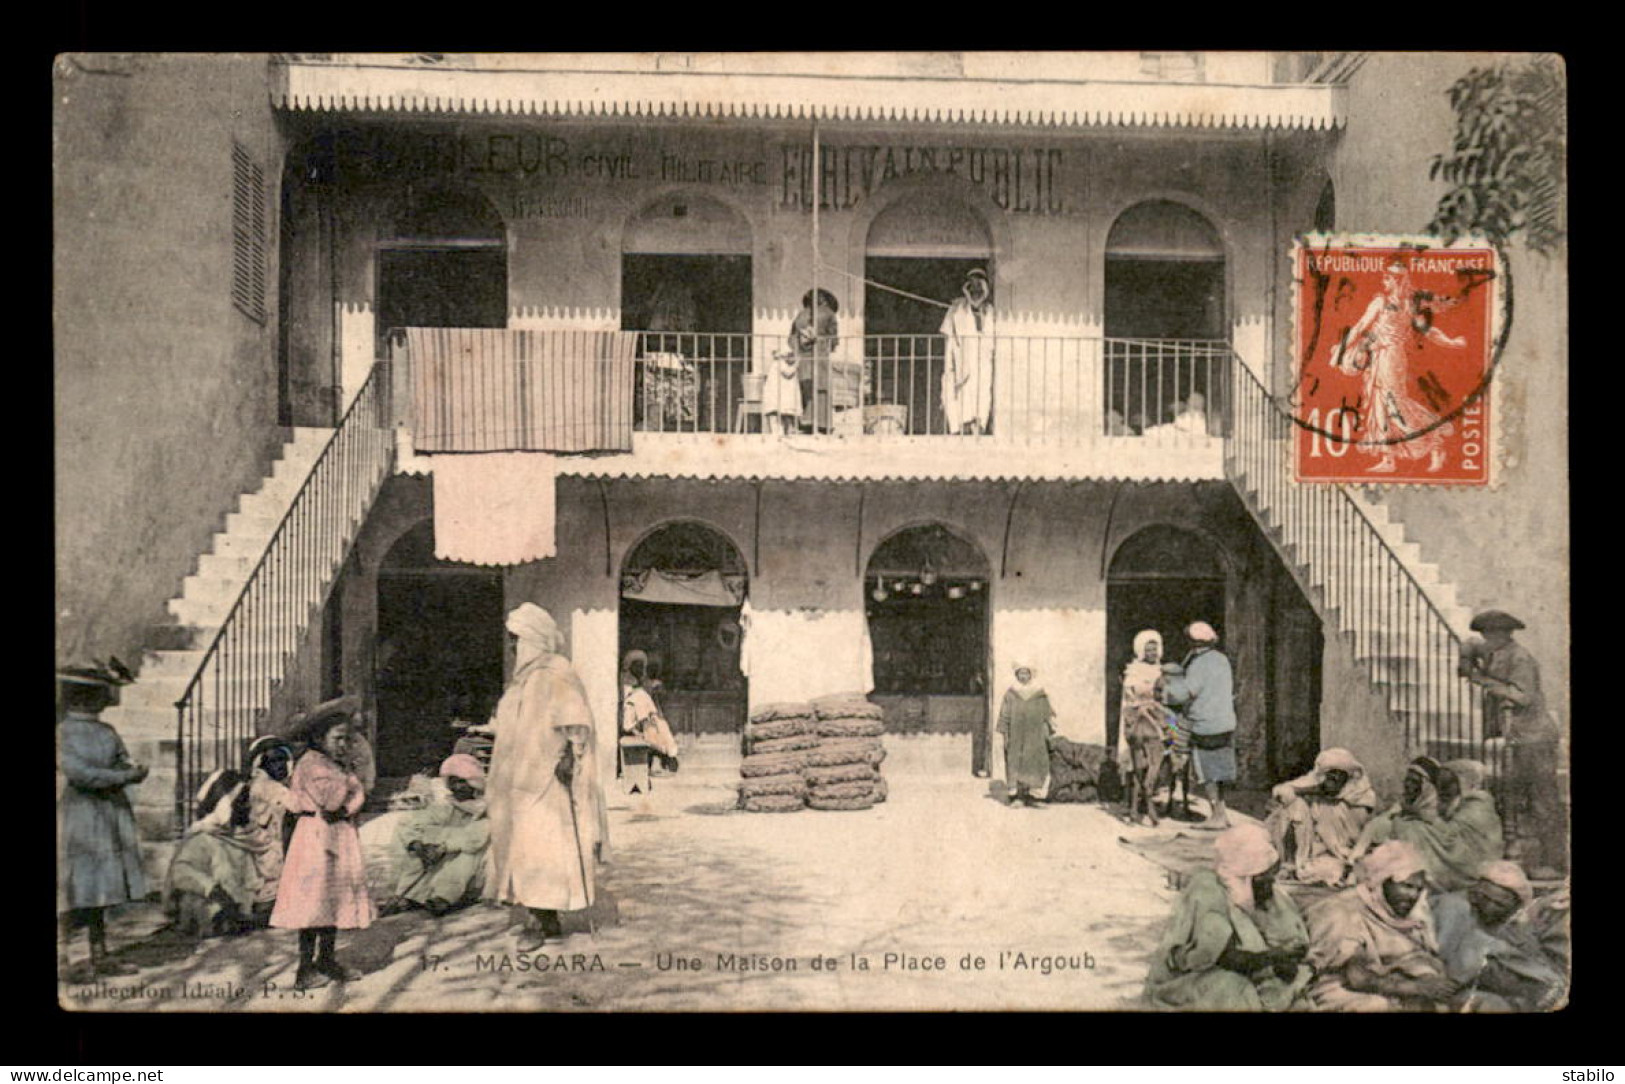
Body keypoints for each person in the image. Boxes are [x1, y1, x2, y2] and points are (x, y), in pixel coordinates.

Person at [487, 603, 606, 949]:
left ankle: (541, 922)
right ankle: (543, 917)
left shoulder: (555, 674)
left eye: (516, 640)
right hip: (520, 779)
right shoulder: (523, 681)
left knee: (541, 850)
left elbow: (577, 725)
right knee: (526, 848)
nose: (511, 647)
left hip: (548, 780)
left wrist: (570, 757)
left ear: (532, 639)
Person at [1144, 822, 1312, 1011]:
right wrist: (1272, 958)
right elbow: (1217, 956)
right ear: (1249, 874)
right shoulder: (1208, 891)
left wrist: (1286, 954)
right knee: (1234, 990)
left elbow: (1289, 933)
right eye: (1266, 876)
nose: (1272, 881)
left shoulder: (1264, 893)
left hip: (1248, 966)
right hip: (1192, 976)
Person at [269, 697, 375, 990]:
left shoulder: (334, 764)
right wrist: (349, 782)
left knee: (334, 898)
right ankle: (305, 968)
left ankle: (327, 959)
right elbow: (331, 801)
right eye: (338, 739)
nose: (344, 745)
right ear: (319, 738)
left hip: (337, 835)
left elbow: (357, 798)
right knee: (314, 900)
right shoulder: (313, 764)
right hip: (316, 838)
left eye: (348, 740)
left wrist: (351, 797)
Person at [1329, 258, 1461, 474]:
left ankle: (1435, 442)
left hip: (1391, 359)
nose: (1385, 281)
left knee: (1394, 405)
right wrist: (1343, 350)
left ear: (1398, 281)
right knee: (1379, 405)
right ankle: (1388, 458)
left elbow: (1427, 330)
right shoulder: (1388, 302)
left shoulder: (1400, 304)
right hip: (1382, 357)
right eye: (1385, 277)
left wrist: (1450, 342)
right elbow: (1360, 327)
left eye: (1389, 278)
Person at [58, 663, 147, 981]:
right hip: (81, 814)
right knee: (73, 887)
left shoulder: (107, 731)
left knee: (101, 887)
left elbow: (122, 758)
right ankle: (63, 960)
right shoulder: (63, 731)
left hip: (109, 813)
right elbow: (80, 773)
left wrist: (133, 767)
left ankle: (100, 955)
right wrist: (125, 776)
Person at [1460, 610, 1563, 877]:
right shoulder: (1496, 653)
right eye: (1483, 635)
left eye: (1489, 635)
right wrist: (1467, 653)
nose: (1485, 640)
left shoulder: (1520, 658)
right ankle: (1525, 858)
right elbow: (1473, 652)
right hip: (1517, 737)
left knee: (1543, 800)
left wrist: (1482, 680)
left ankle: (1554, 861)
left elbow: (1522, 696)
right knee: (1515, 796)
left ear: (1503, 635)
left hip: (1535, 737)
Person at [1303, 840, 1456, 1011]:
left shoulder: (1402, 912)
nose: (1413, 895)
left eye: (1418, 889)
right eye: (1407, 886)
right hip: (1338, 986)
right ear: (1383, 880)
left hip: (1388, 983)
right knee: (1377, 1006)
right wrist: (1415, 987)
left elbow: (1412, 955)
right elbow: (1356, 978)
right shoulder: (1343, 910)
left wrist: (1427, 978)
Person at [1433, 860, 1568, 1012]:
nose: (1489, 906)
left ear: (1514, 906)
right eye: (1484, 897)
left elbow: (1532, 957)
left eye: (1499, 904)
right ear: (1475, 891)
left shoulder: (1512, 923)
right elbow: (1451, 955)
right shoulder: (1453, 906)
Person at [381, 754, 491, 918]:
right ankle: (408, 895)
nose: (457, 787)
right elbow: (415, 823)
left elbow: (475, 837)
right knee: (416, 851)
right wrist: (418, 844)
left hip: (464, 857)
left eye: (462, 782)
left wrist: (443, 846)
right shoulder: (445, 805)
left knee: (465, 860)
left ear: (473, 783)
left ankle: (443, 898)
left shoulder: (483, 809)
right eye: (453, 781)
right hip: (436, 852)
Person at [164, 768, 259, 937]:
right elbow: (181, 872)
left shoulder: (240, 835)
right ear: (224, 805)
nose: (247, 806)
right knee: (209, 908)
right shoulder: (202, 837)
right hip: (209, 899)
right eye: (241, 801)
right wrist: (211, 888)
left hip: (235, 899)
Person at [1160, 621, 1236, 830]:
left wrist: (1166, 690)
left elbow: (1185, 693)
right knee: (1220, 770)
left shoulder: (1198, 665)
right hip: (1226, 721)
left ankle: (1217, 816)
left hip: (1205, 724)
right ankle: (1221, 812)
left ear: (1193, 643)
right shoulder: (1222, 659)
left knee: (1208, 771)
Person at [1264, 747, 1379, 886]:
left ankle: (1303, 870)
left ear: (1347, 777)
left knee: (1330, 871)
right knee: (1295, 805)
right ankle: (1289, 865)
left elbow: (1351, 840)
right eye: (1331, 774)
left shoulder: (1360, 798)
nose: (1334, 778)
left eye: (1339, 774)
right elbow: (1282, 792)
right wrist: (1313, 790)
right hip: (1310, 849)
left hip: (1339, 854)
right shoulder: (1317, 788)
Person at [243, 736, 294, 924]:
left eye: (282, 760)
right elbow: (296, 803)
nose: (279, 766)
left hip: (266, 838)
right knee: (270, 873)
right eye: (273, 761)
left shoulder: (259, 784)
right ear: (262, 764)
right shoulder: (269, 787)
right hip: (267, 841)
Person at [940, 268, 996, 435]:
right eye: (972, 286)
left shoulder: (989, 310)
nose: (975, 290)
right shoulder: (957, 308)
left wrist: (980, 301)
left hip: (982, 361)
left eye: (979, 286)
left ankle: (978, 426)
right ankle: (962, 428)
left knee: (982, 392)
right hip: (963, 359)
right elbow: (949, 338)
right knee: (962, 395)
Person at [997, 664, 1054, 807]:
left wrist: (1047, 731)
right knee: (1016, 762)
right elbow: (1005, 715)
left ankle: (1035, 797)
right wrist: (1005, 735)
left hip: (1035, 736)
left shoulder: (1039, 694)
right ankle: (1017, 797)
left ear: (1031, 675)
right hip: (1016, 735)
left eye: (1026, 673)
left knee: (1036, 762)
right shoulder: (1010, 694)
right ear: (1016, 675)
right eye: (1020, 673)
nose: (1023, 676)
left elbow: (1047, 715)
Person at [620, 649, 680, 772]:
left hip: (645, 717)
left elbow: (650, 689)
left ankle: (667, 750)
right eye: (637, 666)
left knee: (659, 724)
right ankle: (663, 751)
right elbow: (627, 698)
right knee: (641, 698)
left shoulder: (643, 680)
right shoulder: (625, 679)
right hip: (631, 715)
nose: (640, 669)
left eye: (642, 666)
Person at [790, 288, 839, 434]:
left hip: (803, 357)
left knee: (806, 387)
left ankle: (806, 421)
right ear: (823, 300)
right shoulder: (829, 314)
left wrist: (798, 349)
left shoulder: (800, 315)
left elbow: (791, 337)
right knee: (822, 387)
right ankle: (822, 424)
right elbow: (834, 338)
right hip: (820, 354)